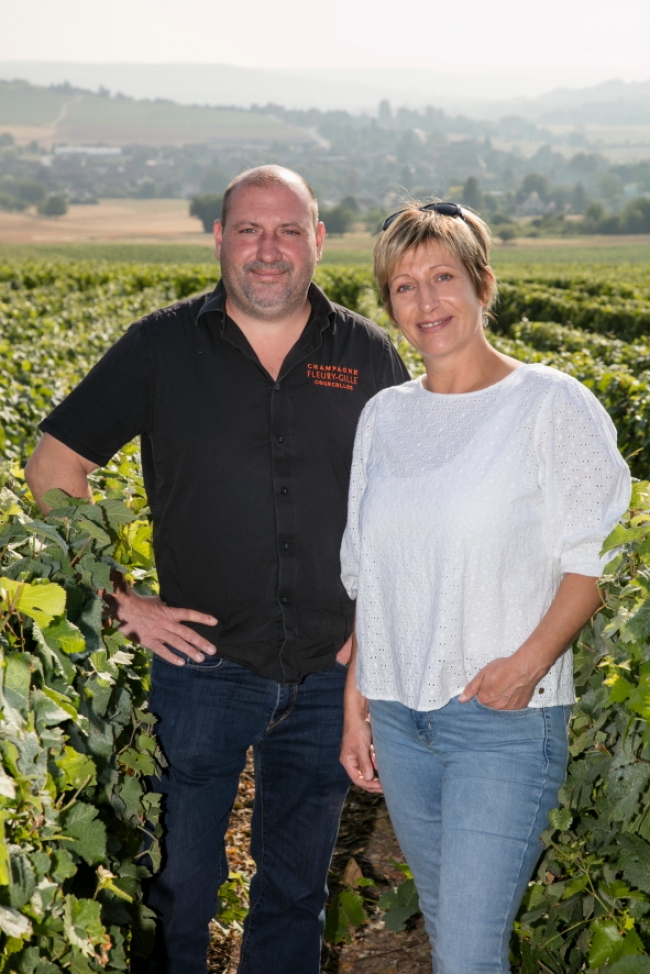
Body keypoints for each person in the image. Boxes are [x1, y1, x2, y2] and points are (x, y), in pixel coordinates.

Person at [24, 165, 409, 974]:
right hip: (200, 670)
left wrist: (376, 641)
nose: (268, 251)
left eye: (288, 230)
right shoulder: (162, 345)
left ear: (317, 240)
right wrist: (119, 601)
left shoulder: (365, 353)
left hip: (325, 674)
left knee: (296, 893)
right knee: (178, 893)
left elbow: (408, 506)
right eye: (249, 230)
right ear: (220, 239)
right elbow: (55, 463)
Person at [339, 201, 631, 974]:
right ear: (389, 304)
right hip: (401, 721)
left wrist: (526, 665)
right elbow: (372, 573)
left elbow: (591, 562)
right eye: (404, 287)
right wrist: (357, 699)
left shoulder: (549, 403)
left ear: (483, 285)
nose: (426, 303)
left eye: (443, 278)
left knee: (467, 958)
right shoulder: (384, 417)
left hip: (501, 723)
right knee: (449, 940)